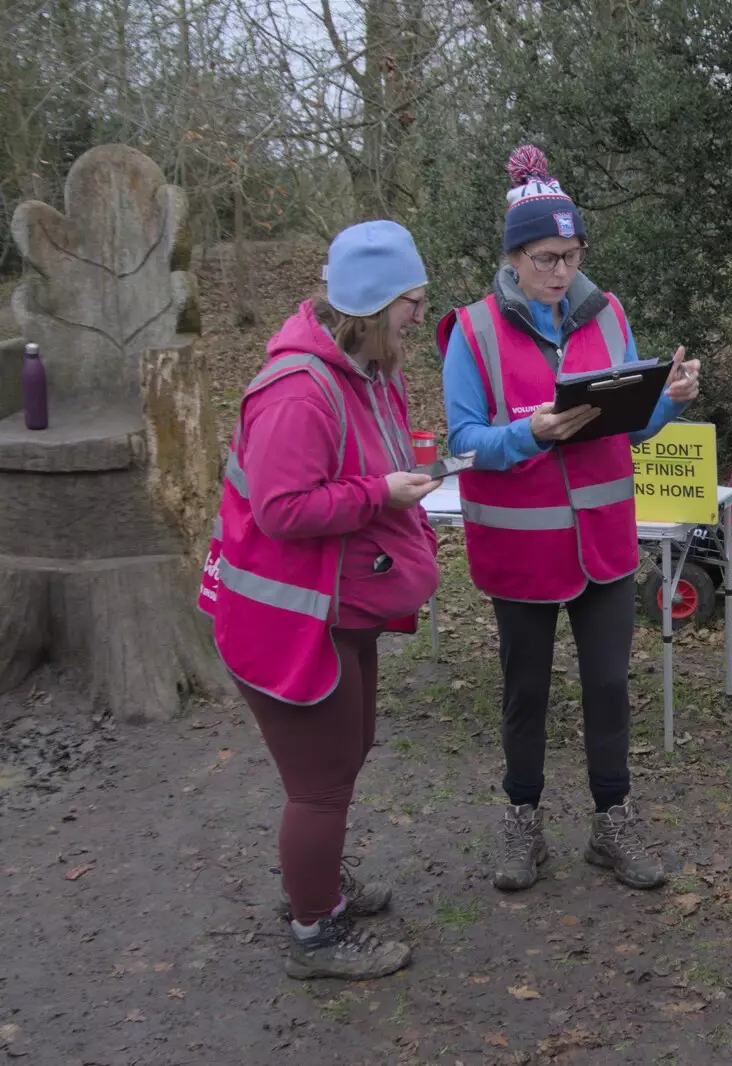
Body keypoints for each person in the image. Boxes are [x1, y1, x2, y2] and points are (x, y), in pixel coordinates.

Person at [439, 144, 700, 893]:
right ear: (515, 257)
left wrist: (670, 399)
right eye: (548, 257)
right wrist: (530, 434)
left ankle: (611, 823)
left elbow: (632, 426)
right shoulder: (473, 332)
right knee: (526, 693)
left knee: (610, 686)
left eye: (573, 254)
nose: (562, 272)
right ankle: (523, 823)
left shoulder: (607, 313)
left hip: (606, 547)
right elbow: (462, 442)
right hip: (522, 554)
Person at [199, 221, 442, 980]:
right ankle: (315, 932)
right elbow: (281, 509)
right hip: (290, 621)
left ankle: (320, 887)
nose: (419, 315)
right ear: (371, 304)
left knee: (350, 748)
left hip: (340, 608)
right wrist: (380, 494)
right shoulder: (298, 394)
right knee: (321, 782)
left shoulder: (366, 372)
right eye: (411, 300)